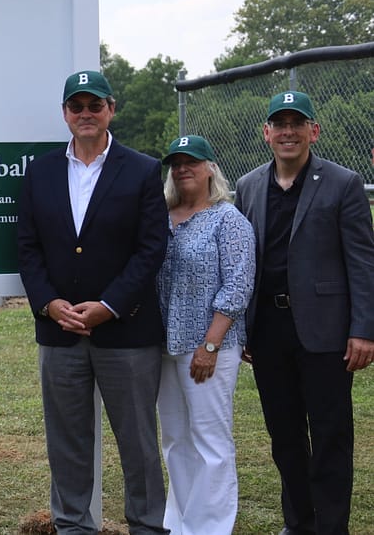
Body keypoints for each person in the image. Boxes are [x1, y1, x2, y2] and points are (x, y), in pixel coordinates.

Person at [17, 70, 169, 534]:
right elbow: (27, 246)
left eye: (95, 105)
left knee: (139, 444)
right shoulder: (40, 171)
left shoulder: (143, 169)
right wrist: (48, 303)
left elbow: (151, 249)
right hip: (59, 334)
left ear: (111, 109)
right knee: (67, 443)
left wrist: (109, 305)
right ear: (65, 114)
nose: (86, 114)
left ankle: (146, 526)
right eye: (76, 106)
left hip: (127, 331)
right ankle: (72, 526)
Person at [235, 91, 374, 535]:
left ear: (314, 131)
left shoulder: (343, 183)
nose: (288, 132)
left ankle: (331, 527)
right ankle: (300, 523)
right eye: (280, 124)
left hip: (327, 332)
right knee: (285, 436)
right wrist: (242, 329)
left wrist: (364, 329)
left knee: (331, 434)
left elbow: (363, 262)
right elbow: (242, 262)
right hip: (269, 331)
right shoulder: (249, 186)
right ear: (267, 133)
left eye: (298, 123)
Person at [156, 135, 255, 535]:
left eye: (191, 162)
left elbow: (237, 286)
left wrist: (210, 345)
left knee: (210, 441)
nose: (183, 169)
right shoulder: (160, 216)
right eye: (176, 163)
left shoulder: (228, 219)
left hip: (208, 346)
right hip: (164, 346)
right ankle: (181, 524)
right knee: (175, 439)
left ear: (210, 167)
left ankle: (211, 527)